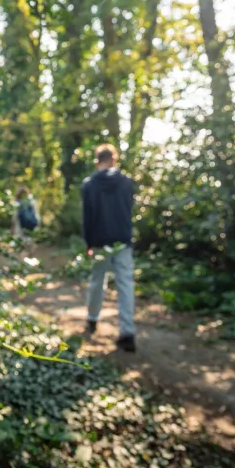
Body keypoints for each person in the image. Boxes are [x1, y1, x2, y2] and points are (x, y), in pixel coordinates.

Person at [81, 143, 136, 352]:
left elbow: (87, 218)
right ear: (114, 159)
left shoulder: (89, 185)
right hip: (122, 239)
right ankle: (127, 332)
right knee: (125, 284)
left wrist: (88, 242)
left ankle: (92, 319)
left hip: (99, 241)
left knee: (97, 280)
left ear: (97, 161)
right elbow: (129, 211)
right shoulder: (127, 183)